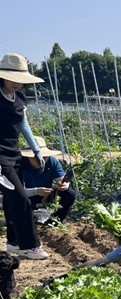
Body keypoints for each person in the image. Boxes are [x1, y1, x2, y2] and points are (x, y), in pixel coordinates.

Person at [0, 52, 50, 260]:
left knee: (11, 201)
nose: (16, 84)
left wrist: (36, 149)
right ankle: (30, 246)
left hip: (14, 153)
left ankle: (13, 242)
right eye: (12, 79)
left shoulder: (19, 97)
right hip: (0, 158)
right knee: (22, 200)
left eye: (20, 80)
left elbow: (23, 124)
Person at [17, 136, 76, 223]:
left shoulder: (52, 161)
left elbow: (61, 178)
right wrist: (36, 191)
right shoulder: (19, 164)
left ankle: (56, 220)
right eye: (35, 158)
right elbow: (18, 191)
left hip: (46, 194)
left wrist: (64, 184)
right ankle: (23, 220)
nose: (40, 161)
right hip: (26, 196)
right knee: (16, 200)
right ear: (28, 156)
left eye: (44, 157)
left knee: (69, 193)